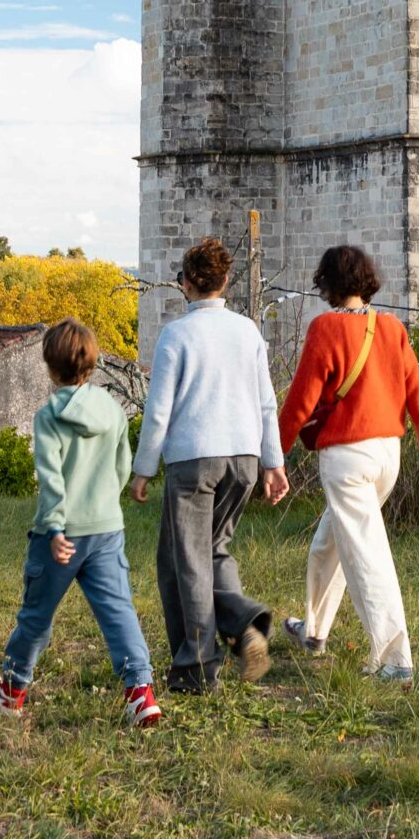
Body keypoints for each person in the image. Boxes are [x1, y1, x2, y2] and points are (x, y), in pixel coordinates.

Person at [0, 318, 162, 728]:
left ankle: (12, 689)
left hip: (59, 536)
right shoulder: (113, 409)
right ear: (92, 365)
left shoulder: (48, 417)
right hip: (107, 529)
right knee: (118, 612)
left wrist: (58, 526)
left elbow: (51, 477)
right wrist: (104, 505)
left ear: (49, 365)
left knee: (36, 614)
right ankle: (141, 694)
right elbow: (122, 465)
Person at [276, 244, 419, 684]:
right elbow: (418, 396)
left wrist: (274, 453)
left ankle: (395, 659)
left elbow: (299, 402)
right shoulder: (391, 328)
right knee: (329, 545)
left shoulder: (325, 328)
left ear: (328, 284)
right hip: (387, 454)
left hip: (348, 458)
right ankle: (313, 631)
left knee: (366, 556)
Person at [131, 238, 289, 694]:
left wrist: (143, 469)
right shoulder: (247, 331)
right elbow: (265, 401)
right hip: (244, 458)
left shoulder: (176, 335)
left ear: (186, 284)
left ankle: (201, 663)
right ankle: (239, 626)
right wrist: (273, 463)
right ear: (225, 282)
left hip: (194, 460)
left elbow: (159, 410)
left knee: (187, 562)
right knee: (213, 550)